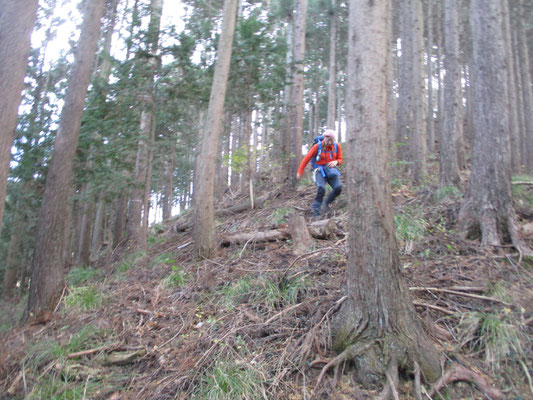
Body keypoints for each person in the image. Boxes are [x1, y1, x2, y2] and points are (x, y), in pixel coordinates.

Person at [296, 129, 343, 217]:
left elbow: (340, 159)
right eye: (328, 140)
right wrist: (299, 172)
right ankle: (316, 210)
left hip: (331, 170)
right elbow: (306, 159)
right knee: (321, 188)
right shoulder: (317, 146)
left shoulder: (337, 146)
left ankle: (326, 202)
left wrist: (336, 162)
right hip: (320, 171)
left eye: (332, 140)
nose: (330, 142)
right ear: (324, 138)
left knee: (338, 188)